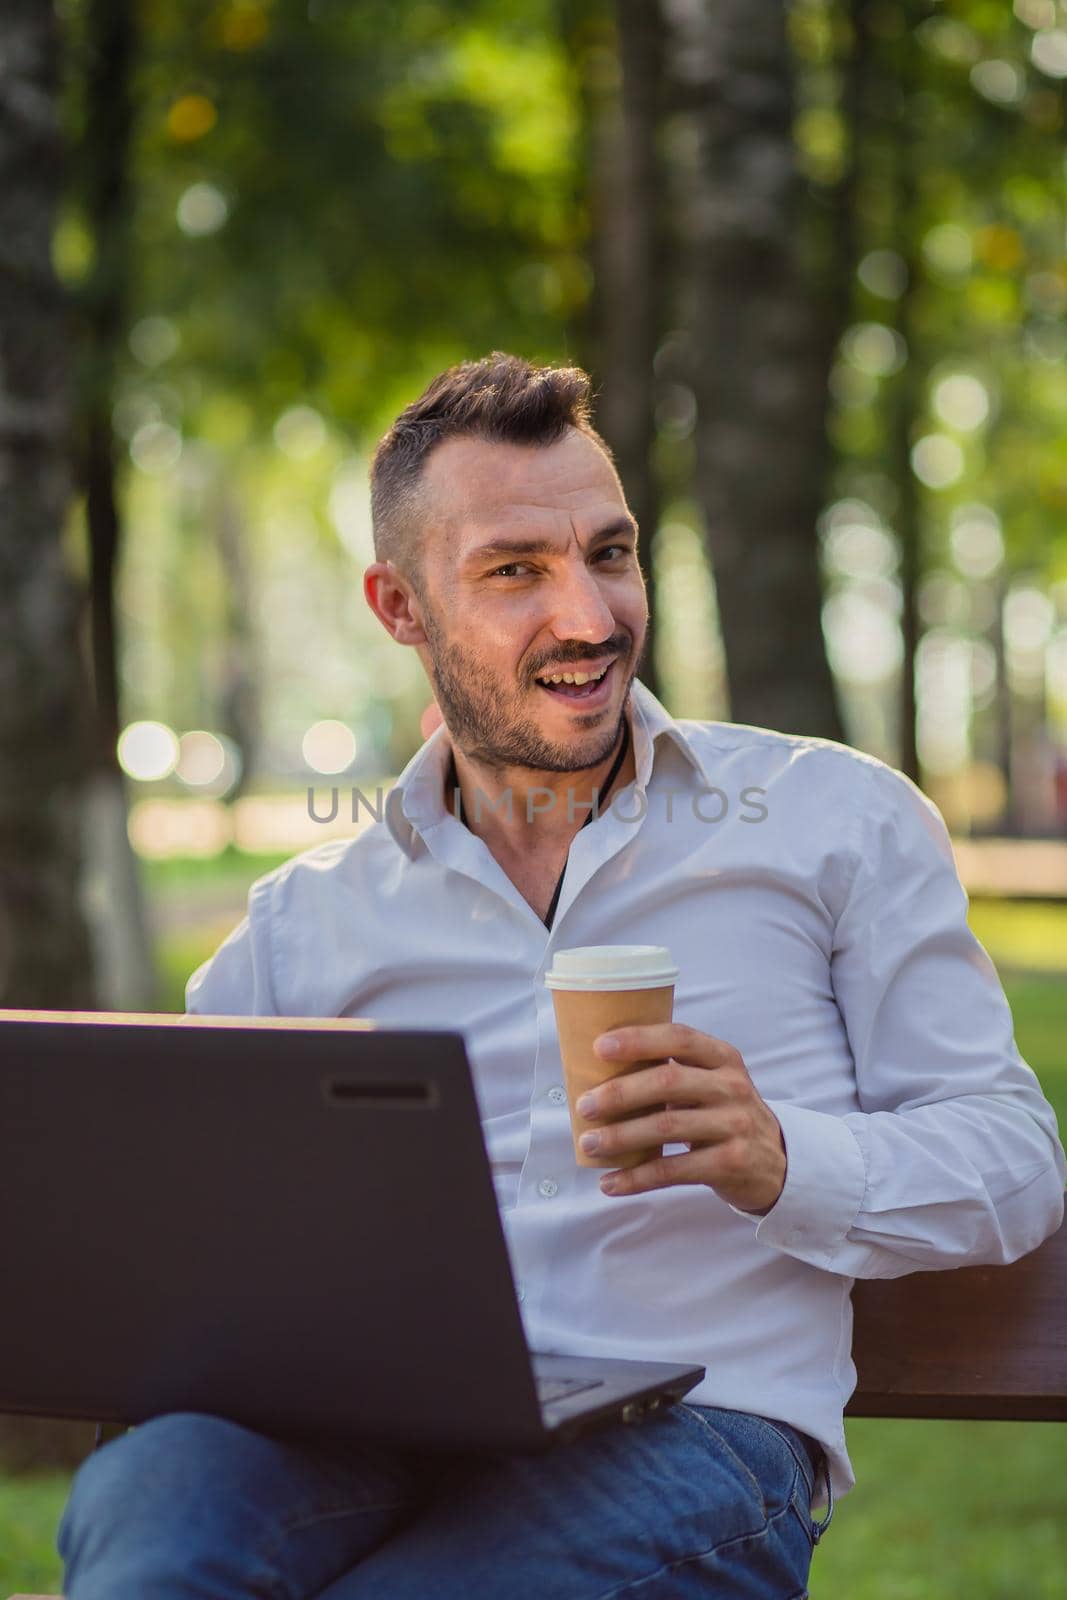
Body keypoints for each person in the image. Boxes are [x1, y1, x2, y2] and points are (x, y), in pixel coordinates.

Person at [57, 354, 1066, 1599]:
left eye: (609, 552)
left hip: (699, 1434)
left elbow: (1011, 1158)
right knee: (152, 1517)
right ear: (400, 608)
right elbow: (177, 1232)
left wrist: (780, 1158)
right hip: (356, 1420)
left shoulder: (834, 823)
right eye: (514, 571)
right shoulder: (301, 923)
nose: (588, 618)